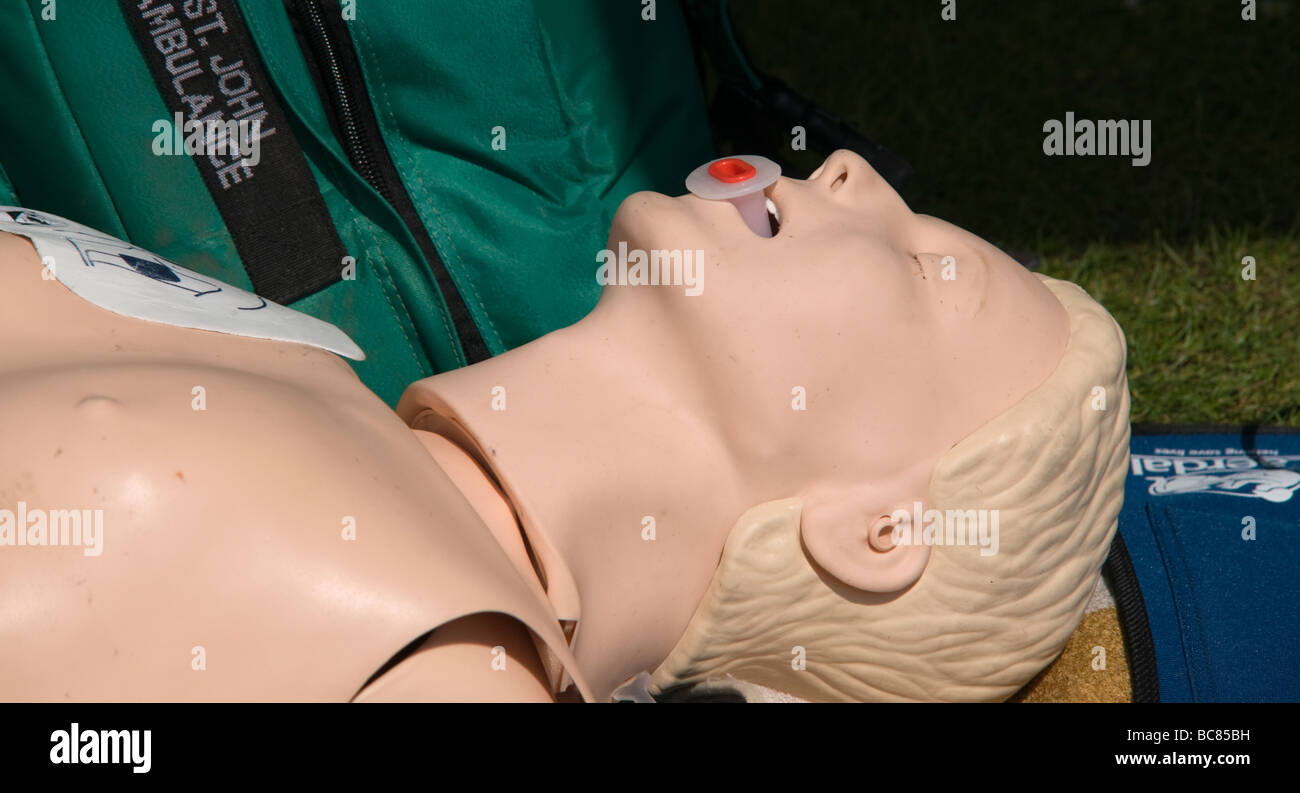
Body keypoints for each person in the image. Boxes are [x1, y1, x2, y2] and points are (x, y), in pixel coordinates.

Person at [0, 151, 1128, 702]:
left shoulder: (448, 679)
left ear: (877, 527)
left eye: (934, 271)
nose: (853, 167)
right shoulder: (294, 349)